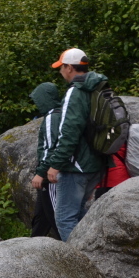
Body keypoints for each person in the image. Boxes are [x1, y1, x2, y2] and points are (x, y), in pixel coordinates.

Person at [47, 48, 108, 242]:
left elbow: (69, 132)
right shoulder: (100, 87)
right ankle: (92, 254)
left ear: (69, 68)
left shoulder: (76, 92)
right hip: (97, 162)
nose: (60, 72)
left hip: (76, 167)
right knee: (80, 214)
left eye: (61, 67)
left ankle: (78, 264)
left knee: (65, 218)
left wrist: (56, 164)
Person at [29, 82, 62, 238]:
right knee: (41, 216)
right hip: (53, 173)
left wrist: (41, 173)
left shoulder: (51, 117)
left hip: (51, 176)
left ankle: (73, 252)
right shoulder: (60, 114)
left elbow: (50, 148)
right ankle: (31, 248)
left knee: (57, 217)